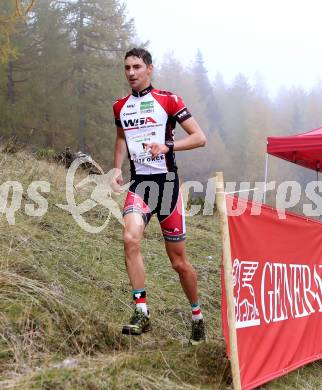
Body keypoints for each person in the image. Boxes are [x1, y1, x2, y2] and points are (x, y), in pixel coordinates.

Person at [112, 48, 207, 345]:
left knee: (179, 263)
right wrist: (116, 168)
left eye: (137, 67)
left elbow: (199, 137)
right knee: (130, 238)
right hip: (140, 185)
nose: (131, 72)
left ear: (149, 69)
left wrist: (168, 146)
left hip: (167, 186)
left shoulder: (168, 100)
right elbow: (120, 137)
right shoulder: (120, 107)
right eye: (127, 67)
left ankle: (197, 315)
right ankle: (141, 311)